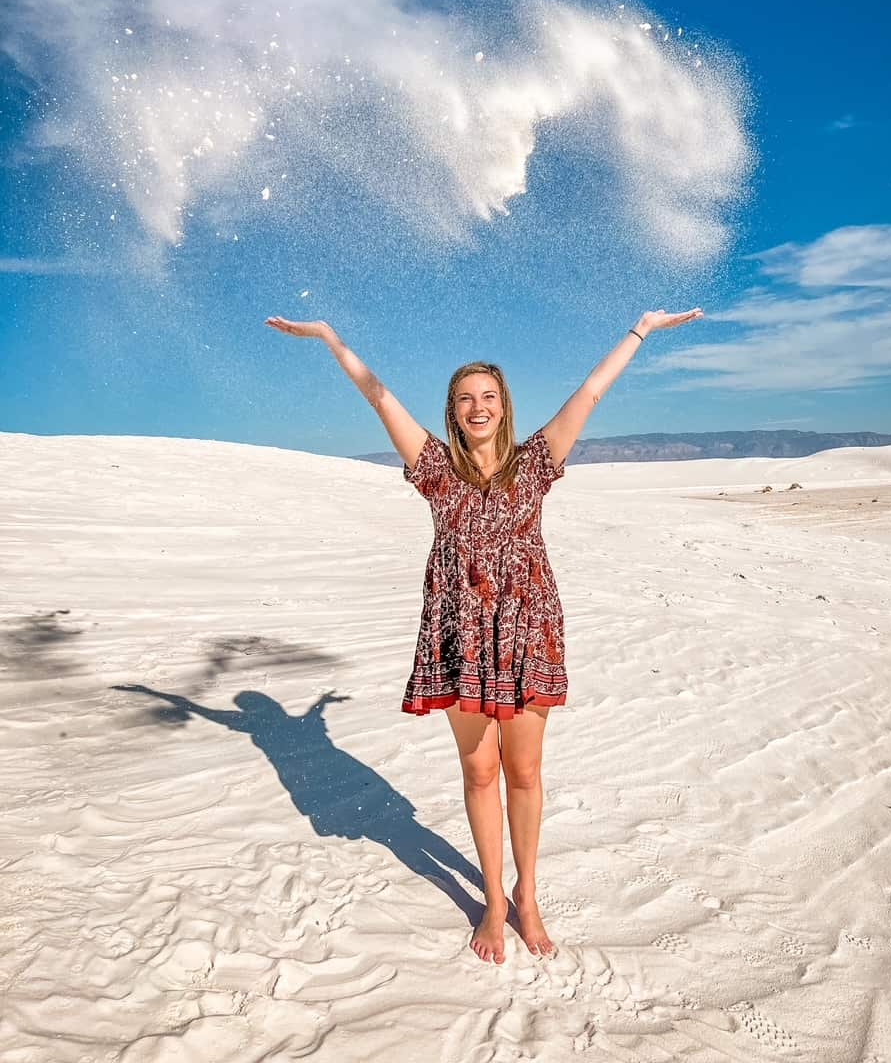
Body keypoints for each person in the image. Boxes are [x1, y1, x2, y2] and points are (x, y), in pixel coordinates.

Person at [264, 306, 702, 963]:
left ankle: (528, 896)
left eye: (488, 396)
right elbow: (378, 395)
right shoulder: (436, 468)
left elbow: (589, 391)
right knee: (478, 769)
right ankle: (493, 902)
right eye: (465, 398)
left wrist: (641, 329)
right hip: (460, 634)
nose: (478, 406)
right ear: (452, 410)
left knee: (523, 769)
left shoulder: (536, 462)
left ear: (504, 406)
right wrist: (331, 341)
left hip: (526, 630)